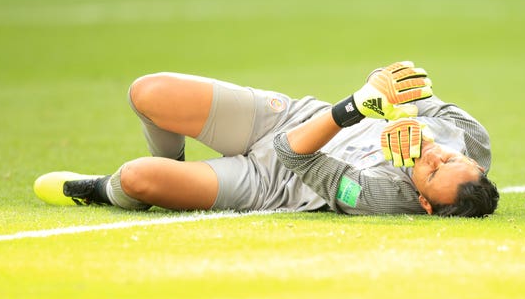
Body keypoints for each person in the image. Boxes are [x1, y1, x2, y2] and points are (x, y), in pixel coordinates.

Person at [33, 61, 499, 217]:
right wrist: (391, 91)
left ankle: (101, 190)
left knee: (135, 179)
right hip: (290, 115)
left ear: (422, 202)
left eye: (431, 171)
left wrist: (354, 108)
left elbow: (291, 154)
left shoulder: (380, 196)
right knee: (148, 92)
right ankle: (176, 161)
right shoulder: (472, 138)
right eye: (450, 158)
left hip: (270, 180)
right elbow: (414, 89)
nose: (435, 155)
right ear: (475, 162)